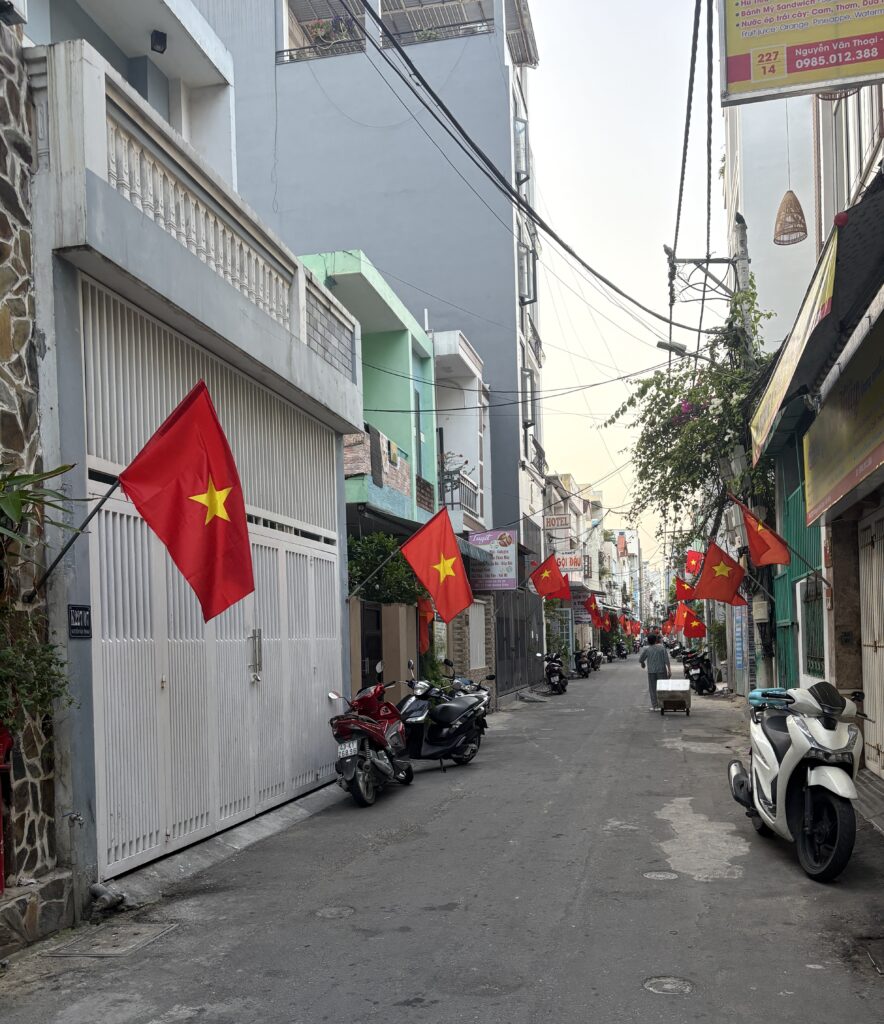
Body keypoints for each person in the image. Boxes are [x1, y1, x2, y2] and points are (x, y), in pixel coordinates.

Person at [638, 632, 671, 711]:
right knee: (663, 688)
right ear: (656, 640)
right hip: (662, 671)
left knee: (653, 689)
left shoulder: (647, 649)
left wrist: (643, 664)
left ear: (648, 641)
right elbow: (666, 659)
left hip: (651, 672)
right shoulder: (662, 648)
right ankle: (663, 705)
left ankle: (655, 706)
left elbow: (641, 659)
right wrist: (669, 670)